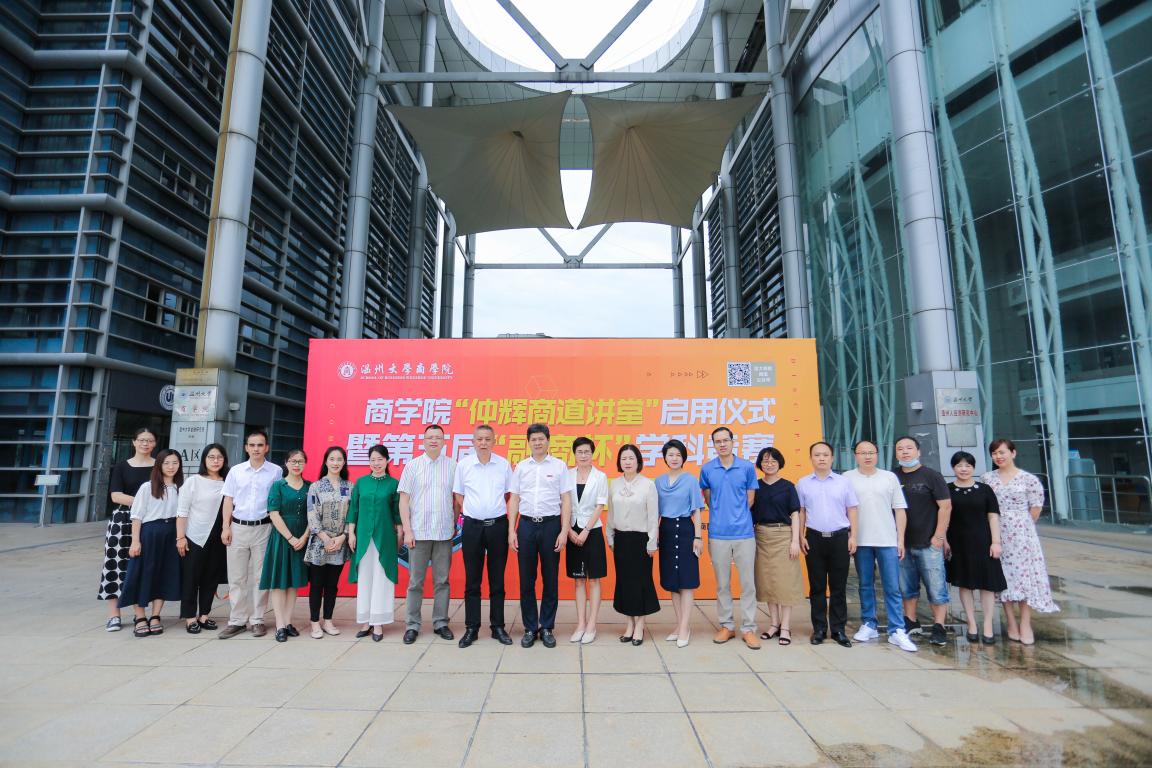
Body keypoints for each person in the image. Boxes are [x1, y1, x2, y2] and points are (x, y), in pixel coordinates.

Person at [982, 438, 1059, 644]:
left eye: (1002, 452)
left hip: (1022, 535)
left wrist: (1020, 526)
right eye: (994, 453)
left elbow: (1035, 509)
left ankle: (1025, 622)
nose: (998, 456)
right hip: (996, 533)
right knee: (1003, 577)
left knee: (1025, 577)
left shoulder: (1029, 480)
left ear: (1013, 453)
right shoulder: (987, 479)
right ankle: (1010, 621)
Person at [843, 441, 917, 652]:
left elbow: (900, 510)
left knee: (892, 586)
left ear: (877, 454)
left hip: (887, 540)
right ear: (855, 455)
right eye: (862, 453)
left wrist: (900, 540)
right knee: (865, 584)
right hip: (861, 541)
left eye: (871, 452)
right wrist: (851, 536)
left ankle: (897, 629)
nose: (867, 456)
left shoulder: (889, 477)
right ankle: (869, 624)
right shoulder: (847, 478)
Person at [508, 423, 573, 648]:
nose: (537, 442)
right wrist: (512, 530)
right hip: (526, 526)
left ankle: (546, 627)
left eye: (541, 439)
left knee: (550, 578)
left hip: (551, 526)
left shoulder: (559, 466)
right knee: (527, 579)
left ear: (548, 441)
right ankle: (529, 627)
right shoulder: (521, 467)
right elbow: (514, 499)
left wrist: (564, 531)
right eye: (533, 439)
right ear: (528, 442)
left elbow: (566, 500)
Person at [453, 425, 514, 648]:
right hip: (472, 527)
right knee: (473, 580)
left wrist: (490, 509)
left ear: (494, 441)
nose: (483, 443)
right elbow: (459, 494)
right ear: (473, 442)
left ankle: (498, 627)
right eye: (479, 439)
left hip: (497, 526)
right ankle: (472, 627)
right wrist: (474, 509)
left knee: (497, 579)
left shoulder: (503, 465)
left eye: (488, 439)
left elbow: (509, 494)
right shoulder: (464, 465)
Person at [700, 427, 761, 649]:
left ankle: (748, 628)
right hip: (718, 534)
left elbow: (750, 499)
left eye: (726, 440)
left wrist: (737, 516)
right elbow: (709, 499)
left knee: (748, 584)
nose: (722, 444)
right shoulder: (708, 469)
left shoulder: (746, 467)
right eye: (718, 441)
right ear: (713, 445)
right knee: (723, 584)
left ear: (733, 442)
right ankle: (727, 625)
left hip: (744, 533)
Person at [219, 428, 281, 639]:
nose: (256, 449)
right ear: (246, 447)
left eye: (260, 445)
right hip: (238, 527)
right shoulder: (236, 471)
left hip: (264, 528)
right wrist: (225, 527)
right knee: (236, 577)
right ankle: (237, 620)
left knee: (260, 577)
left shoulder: (275, 472)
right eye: (252, 445)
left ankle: (257, 620)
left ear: (266, 447)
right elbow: (228, 500)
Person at [398, 424, 458, 645]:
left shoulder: (453, 466)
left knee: (442, 581)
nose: (434, 440)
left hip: (443, 532)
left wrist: (454, 523)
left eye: (438, 437)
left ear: (444, 441)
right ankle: (412, 625)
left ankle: (440, 622)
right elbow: (403, 501)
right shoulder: (412, 466)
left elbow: (456, 499)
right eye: (430, 437)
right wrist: (407, 530)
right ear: (423, 441)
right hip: (419, 532)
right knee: (416, 582)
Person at [797, 441, 859, 648]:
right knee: (817, 587)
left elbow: (852, 510)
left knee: (838, 586)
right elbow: (801, 512)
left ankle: (839, 630)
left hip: (840, 538)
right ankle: (819, 629)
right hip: (814, 538)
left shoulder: (843, 482)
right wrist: (801, 536)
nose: (821, 458)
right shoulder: (803, 483)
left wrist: (853, 536)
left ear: (832, 458)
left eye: (825, 455)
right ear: (811, 458)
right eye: (817, 455)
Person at [894, 435, 952, 646]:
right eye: (900, 448)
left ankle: (939, 626)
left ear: (918, 452)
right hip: (902, 543)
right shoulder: (892, 477)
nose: (905, 452)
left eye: (909, 448)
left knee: (936, 588)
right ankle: (911, 621)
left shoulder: (931, 476)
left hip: (929, 542)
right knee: (906, 587)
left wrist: (939, 537)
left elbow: (945, 507)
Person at [119, 449, 183, 637]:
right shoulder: (147, 487)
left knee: (164, 574)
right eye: (166, 463)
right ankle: (140, 617)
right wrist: (135, 541)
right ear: (159, 465)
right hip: (149, 534)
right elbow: (137, 516)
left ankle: (155, 616)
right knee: (140, 574)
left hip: (171, 534)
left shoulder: (181, 488)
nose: (171, 467)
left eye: (175, 463)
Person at [947, 450, 1007, 645]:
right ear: (953, 468)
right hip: (958, 542)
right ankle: (972, 623)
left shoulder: (985, 489)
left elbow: (993, 516)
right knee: (965, 583)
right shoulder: (947, 490)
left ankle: (988, 624)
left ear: (973, 468)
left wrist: (996, 542)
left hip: (983, 542)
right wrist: (945, 541)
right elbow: (944, 517)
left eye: (968, 465)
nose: (964, 469)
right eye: (959, 465)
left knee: (987, 584)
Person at [101, 427, 156, 631]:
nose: (145, 444)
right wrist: (142, 502)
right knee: (116, 566)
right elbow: (115, 495)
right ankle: (113, 615)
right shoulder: (122, 467)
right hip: (122, 521)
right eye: (141, 440)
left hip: (150, 520)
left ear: (154, 444)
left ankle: (139, 614)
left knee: (141, 567)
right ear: (134, 442)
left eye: (149, 440)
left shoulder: (159, 467)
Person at [347, 444, 402, 641]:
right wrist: (351, 533)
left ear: (387, 461)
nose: (376, 463)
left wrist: (400, 534)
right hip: (362, 537)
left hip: (385, 537)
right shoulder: (361, 483)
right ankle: (365, 621)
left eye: (380, 459)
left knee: (382, 577)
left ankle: (378, 622)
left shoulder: (394, 484)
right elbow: (353, 509)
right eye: (372, 460)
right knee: (365, 577)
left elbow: (397, 513)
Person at [606, 444, 660, 645]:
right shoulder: (614, 484)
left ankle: (640, 625)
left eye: (631, 458)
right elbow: (611, 513)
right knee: (624, 582)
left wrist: (652, 542)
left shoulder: (648, 485)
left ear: (638, 461)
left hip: (641, 540)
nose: (627, 462)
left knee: (641, 582)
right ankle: (629, 623)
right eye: (623, 458)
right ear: (619, 462)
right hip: (621, 539)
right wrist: (610, 536)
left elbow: (653, 517)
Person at [751, 447, 804, 648]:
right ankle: (774, 624)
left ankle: (786, 627)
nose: (769, 464)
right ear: (760, 464)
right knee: (767, 582)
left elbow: (795, 514)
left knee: (785, 582)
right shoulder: (755, 486)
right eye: (765, 461)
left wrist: (795, 541)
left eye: (773, 461)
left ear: (779, 463)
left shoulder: (788, 486)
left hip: (784, 536)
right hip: (761, 536)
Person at [655, 439, 704, 647]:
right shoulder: (658, 482)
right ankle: (679, 624)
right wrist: (654, 534)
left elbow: (697, 510)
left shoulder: (691, 480)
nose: (674, 458)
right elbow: (655, 511)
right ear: (665, 458)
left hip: (685, 530)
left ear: (683, 457)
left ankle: (685, 627)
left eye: (678, 455)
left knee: (687, 581)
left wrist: (698, 537)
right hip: (665, 530)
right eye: (670, 455)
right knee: (672, 582)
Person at [176, 443, 229, 634]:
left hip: (219, 537)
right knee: (191, 577)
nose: (216, 461)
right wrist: (180, 537)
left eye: (219, 457)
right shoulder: (193, 481)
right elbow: (182, 511)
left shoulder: (228, 482)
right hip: (195, 536)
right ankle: (190, 617)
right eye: (211, 457)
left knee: (211, 578)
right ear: (204, 460)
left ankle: (204, 615)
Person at [260, 449, 311, 642]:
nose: (297, 465)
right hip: (282, 538)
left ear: (305, 463)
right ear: (286, 463)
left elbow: (313, 515)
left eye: (300, 461)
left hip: (302, 537)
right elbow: (273, 514)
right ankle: (280, 625)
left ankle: (288, 622)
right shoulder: (278, 486)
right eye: (293, 461)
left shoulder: (310, 486)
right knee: (279, 583)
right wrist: (290, 538)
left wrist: (304, 537)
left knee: (293, 583)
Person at [304, 446, 351, 639]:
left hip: (340, 543)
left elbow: (352, 514)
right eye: (332, 459)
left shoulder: (349, 486)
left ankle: (328, 620)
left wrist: (343, 537)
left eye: (339, 459)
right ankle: (315, 622)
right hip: (319, 542)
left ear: (344, 462)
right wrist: (325, 538)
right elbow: (311, 513)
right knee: (317, 584)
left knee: (332, 585)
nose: (335, 463)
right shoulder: (315, 486)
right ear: (326, 461)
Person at [566, 436, 608, 645]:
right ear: (574, 454)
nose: (583, 455)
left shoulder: (600, 476)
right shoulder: (567, 475)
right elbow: (562, 503)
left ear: (593, 454)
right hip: (571, 530)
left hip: (592, 531)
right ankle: (581, 624)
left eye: (587, 452)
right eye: (580, 452)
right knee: (579, 579)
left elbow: (600, 506)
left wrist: (585, 531)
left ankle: (592, 624)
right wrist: (568, 530)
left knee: (594, 579)